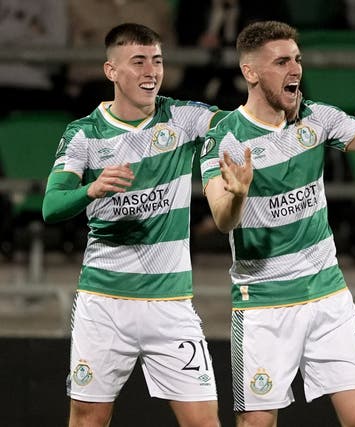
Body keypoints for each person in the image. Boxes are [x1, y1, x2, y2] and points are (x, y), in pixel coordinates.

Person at [200, 20, 355, 427]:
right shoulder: (226, 137)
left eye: (297, 59)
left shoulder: (318, 118)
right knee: (257, 423)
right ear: (250, 73)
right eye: (281, 62)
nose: (295, 70)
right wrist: (238, 192)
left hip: (329, 296)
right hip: (264, 304)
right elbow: (222, 219)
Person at [42, 23, 226, 427]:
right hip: (104, 302)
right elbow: (51, 207)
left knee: (204, 422)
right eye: (138, 61)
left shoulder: (183, 117)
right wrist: (91, 190)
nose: (151, 71)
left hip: (170, 303)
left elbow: (237, 124)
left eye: (157, 61)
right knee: (88, 419)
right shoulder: (84, 134)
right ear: (111, 71)